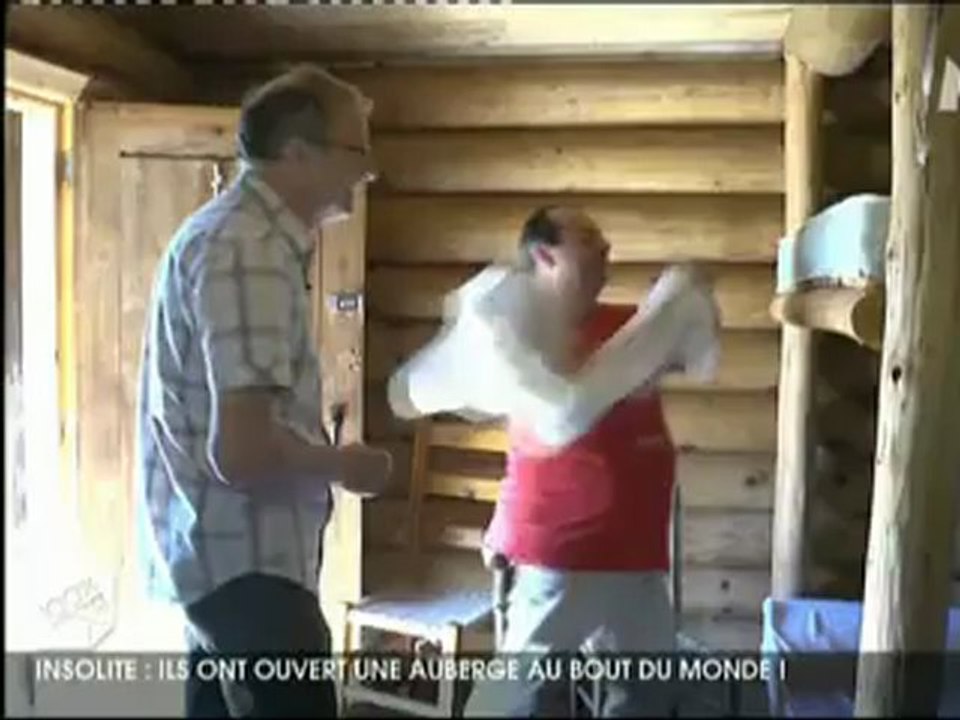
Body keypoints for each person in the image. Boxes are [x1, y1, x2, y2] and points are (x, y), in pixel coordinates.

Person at [387, 206, 720, 717]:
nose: (604, 247)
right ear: (545, 255)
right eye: (586, 238)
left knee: (646, 694)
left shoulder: (628, 327)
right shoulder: (516, 338)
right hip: (564, 553)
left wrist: (682, 302)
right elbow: (556, 416)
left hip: (637, 550)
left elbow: (689, 353)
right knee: (516, 697)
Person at [135, 65, 393, 718]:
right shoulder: (248, 249)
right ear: (298, 154)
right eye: (357, 150)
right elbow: (243, 451)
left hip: (221, 567)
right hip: (247, 575)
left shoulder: (234, 236)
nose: (369, 170)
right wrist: (345, 465)